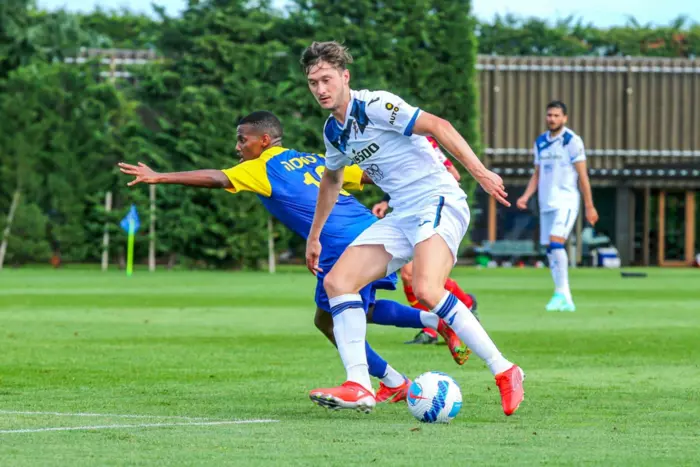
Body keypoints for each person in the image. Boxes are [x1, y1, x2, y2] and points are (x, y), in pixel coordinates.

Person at [118, 110, 468, 406]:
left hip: (337, 242)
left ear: (264, 141)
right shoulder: (311, 158)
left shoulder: (261, 166)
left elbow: (217, 178)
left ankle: (392, 378)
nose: (238, 147)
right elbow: (366, 175)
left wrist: (160, 177)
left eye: (242, 140)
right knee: (357, 311)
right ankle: (428, 333)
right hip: (367, 229)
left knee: (331, 321)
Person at [301, 41, 524, 416]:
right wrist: (314, 235)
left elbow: (439, 125)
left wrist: (481, 173)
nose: (321, 89)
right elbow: (332, 179)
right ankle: (359, 385)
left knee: (426, 288)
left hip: (438, 199)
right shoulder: (333, 131)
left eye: (327, 79)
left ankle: (504, 369)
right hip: (403, 212)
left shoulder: (375, 105)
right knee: (337, 283)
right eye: (313, 83)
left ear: (345, 77)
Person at [372, 136, 479, 345]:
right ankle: (442, 320)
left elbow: (453, 174)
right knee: (411, 275)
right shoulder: (393, 141)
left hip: (432, 212)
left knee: (419, 276)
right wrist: (386, 201)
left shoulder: (422, 139)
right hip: (409, 213)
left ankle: (455, 311)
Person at [516, 101, 598, 312]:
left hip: (566, 201)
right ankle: (562, 295)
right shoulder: (540, 142)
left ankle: (562, 293)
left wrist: (589, 206)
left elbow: (583, 176)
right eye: (549, 115)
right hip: (546, 203)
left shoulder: (572, 141)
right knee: (550, 249)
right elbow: (537, 174)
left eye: (556, 115)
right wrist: (525, 196)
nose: (552, 119)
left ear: (564, 118)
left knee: (556, 241)